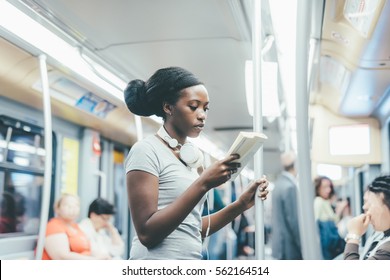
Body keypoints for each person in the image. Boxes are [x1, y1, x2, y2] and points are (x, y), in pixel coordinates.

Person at [124, 66, 269, 260]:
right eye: (193, 106)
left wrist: (240, 205)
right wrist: (203, 184)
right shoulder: (146, 151)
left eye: (205, 108)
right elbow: (147, 234)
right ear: (168, 107)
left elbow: (191, 229)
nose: (202, 115)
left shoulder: (191, 158)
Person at [41, 193, 107, 260]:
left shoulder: (76, 227)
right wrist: (95, 260)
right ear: (57, 208)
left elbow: (89, 249)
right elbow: (62, 257)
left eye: (76, 206)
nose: (72, 209)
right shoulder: (53, 226)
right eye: (68, 206)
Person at [344, 175, 390, 260]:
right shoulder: (379, 233)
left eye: (370, 203)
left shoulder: (387, 251)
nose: (365, 207)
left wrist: (353, 235)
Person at [271, 151, 302, 260]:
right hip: (290, 247)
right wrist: (302, 245)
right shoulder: (290, 187)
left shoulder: (278, 184)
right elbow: (293, 221)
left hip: (280, 246)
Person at [314, 176, 347, 259]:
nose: (328, 190)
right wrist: (340, 210)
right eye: (324, 187)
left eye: (329, 187)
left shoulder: (324, 201)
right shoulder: (319, 202)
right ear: (317, 188)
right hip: (326, 245)